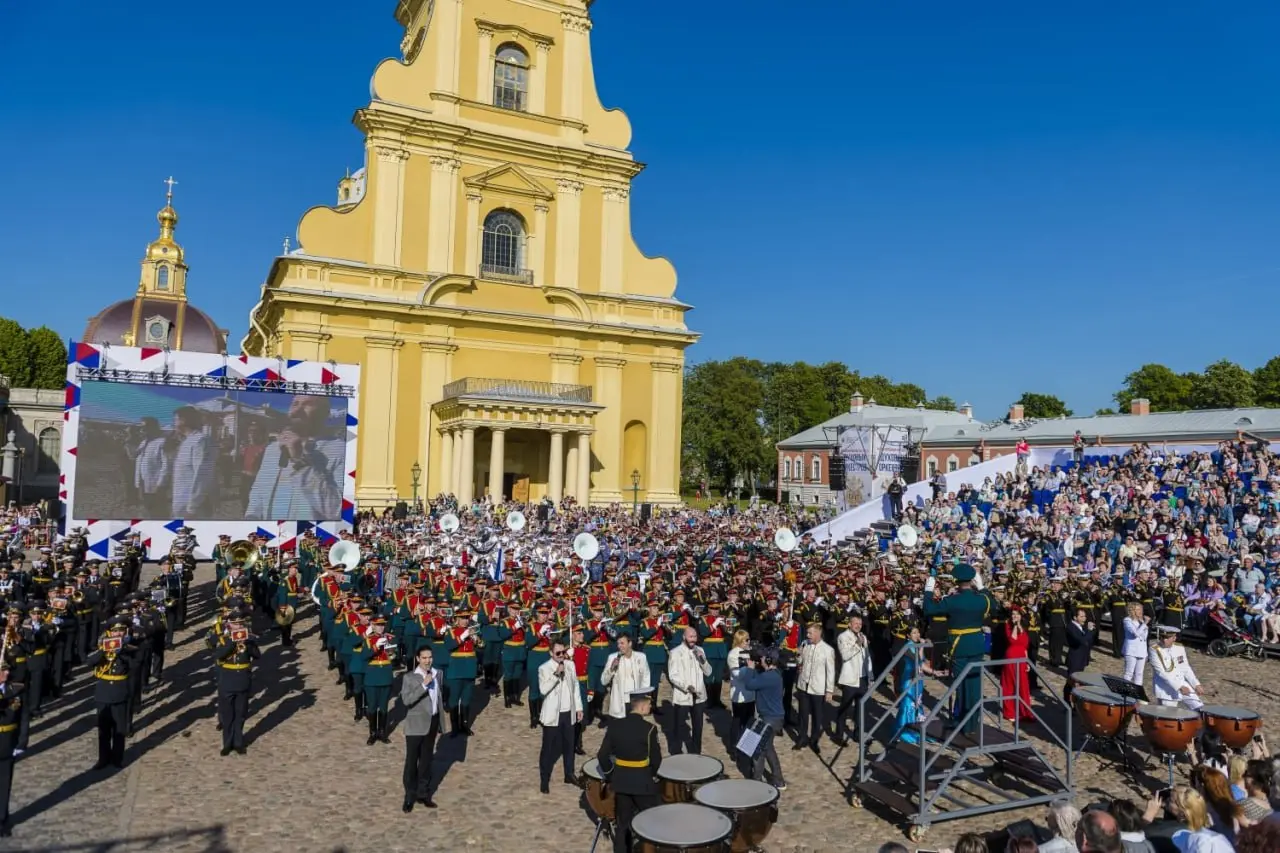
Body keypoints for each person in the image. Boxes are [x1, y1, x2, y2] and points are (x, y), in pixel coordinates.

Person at [245, 395, 345, 519]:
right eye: (295, 404)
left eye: (307, 404)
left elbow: (339, 511)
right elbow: (258, 491)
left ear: (325, 413)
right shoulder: (273, 449)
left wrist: (300, 462)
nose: (297, 411)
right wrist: (251, 517)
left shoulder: (340, 451)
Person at [922, 563, 992, 735]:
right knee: (974, 686)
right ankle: (972, 724)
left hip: (959, 646)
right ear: (971, 580)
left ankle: (963, 723)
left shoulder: (952, 600)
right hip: (976, 644)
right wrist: (982, 587)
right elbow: (994, 605)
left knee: (961, 686)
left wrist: (928, 589)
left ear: (956, 581)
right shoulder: (981, 599)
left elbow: (928, 609)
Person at [597, 685, 662, 853]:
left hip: (621, 783)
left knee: (622, 824)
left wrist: (611, 775)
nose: (650, 707)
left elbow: (602, 756)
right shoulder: (650, 730)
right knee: (650, 822)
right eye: (649, 704)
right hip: (643, 784)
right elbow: (656, 760)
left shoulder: (615, 726)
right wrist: (650, 775)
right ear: (641, 705)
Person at [398, 646, 442, 812]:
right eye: (424, 658)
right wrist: (423, 685)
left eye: (429, 657)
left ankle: (423, 794)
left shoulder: (437, 674)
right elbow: (407, 700)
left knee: (426, 760)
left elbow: (438, 698)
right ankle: (409, 796)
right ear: (417, 659)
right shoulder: (409, 677)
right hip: (416, 725)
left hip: (432, 722)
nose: (427, 660)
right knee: (411, 762)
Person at [537, 640, 584, 794]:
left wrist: (578, 707)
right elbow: (543, 690)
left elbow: (576, 686)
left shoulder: (570, 665)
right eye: (558, 653)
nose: (562, 655)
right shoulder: (543, 668)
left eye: (563, 652)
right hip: (552, 714)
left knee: (569, 745)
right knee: (548, 748)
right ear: (551, 653)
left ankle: (569, 774)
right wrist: (556, 674)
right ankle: (544, 779)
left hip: (568, 712)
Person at [212, 612, 260, 756]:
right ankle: (227, 743)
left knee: (240, 714)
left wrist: (250, 643)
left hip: (243, 680)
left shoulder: (248, 638)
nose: (239, 626)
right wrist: (233, 642)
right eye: (236, 623)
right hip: (227, 680)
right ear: (229, 625)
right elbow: (218, 655)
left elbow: (258, 656)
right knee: (227, 715)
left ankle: (238, 742)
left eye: (241, 623)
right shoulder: (223, 640)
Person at [740, 649, 786, 790]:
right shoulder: (774, 674)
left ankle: (757, 781)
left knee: (756, 748)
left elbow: (750, 685)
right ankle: (778, 781)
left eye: (763, 658)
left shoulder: (768, 677)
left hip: (769, 718)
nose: (760, 660)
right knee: (767, 748)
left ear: (768, 661)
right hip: (773, 717)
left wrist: (749, 669)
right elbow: (757, 680)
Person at [667, 626, 711, 754]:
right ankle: (676, 751)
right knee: (679, 726)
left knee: (698, 727)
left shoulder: (700, 650)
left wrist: (702, 660)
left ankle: (696, 752)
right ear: (684, 637)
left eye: (695, 637)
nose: (693, 640)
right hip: (683, 695)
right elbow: (673, 675)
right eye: (690, 637)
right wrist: (686, 686)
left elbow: (708, 672)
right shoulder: (675, 652)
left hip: (699, 696)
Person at [794, 622, 835, 752]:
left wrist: (829, 690)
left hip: (818, 687)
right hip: (803, 685)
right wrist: (799, 655)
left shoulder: (828, 650)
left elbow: (831, 672)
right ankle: (802, 738)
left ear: (818, 633)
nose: (807, 635)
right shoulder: (805, 644)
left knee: (818, 715)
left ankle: (814, 739)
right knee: (803, 714)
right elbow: (800, 662)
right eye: (807, 633)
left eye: (810, 633)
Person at [834, 611, 872, 747]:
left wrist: (870, 676)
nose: (858, 626)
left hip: (862, 678)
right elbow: (845, 655)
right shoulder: (843, 637)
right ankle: (838, 735)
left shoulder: (863, 637)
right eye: (855, 623)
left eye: (860, 624)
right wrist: (857, 643)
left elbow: (867, 657)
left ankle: (858, 734)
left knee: (861, 709)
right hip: (850, 679)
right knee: (845, 707)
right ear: (849, 624)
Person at [169, 407, 215, 517]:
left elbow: (202, 476)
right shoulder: (187, 441)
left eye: (175, 420)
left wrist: (192, 508)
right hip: (181, 505)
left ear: (183, 421)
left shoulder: (200, 441)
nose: (173, 424)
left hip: (193, 509)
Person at [1150, 625, 1204, 711]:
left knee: (1200, 708)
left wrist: (1196, 684)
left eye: (1168, 638)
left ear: (1174, 638)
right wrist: (1179, 687)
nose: (1164, 640)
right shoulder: (1154, 650)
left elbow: (1185, 668)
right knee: (1169, 717)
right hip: (1166, 689)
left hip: (1182, 683)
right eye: (1162, 637)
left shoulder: (1179, 648)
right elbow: (1161, 672)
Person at [601, 634, 650, 724]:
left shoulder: (641, 657)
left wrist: (643, 696)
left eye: (622, 643)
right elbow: (604, 681)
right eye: (618, 643)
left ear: (630, 643)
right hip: (620, 701)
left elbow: (646, 677)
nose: (619, 646)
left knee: (634, 728)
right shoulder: (612, 657)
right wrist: (611, 669)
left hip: (635, 701)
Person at [0, 663, 24, 838]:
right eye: (2, 670)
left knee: (4, 784)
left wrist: (22, 743)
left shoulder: (16, 690)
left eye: (8, 669)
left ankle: (2, 820)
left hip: (7, 742)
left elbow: (24, 719)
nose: (7, 672)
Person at [1002, 607, 1034, 722]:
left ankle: (1024, 712)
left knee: (1023, 686)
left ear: (1021, 616)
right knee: (1010, 684)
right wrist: (1015, 626)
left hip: (1021, 657)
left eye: (1017, 614)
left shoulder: (1024, 627)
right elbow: (1012, 639)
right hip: (1012, 657)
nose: (1014, 616)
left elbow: (1025, 646)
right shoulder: (1008, 626)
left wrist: (1027, 661)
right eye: (1013, 614)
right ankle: (1009, 712)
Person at [726, 629, 755, 745]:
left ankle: (747, 746)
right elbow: (736, 674)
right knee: (738, 722)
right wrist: (749, 668)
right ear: (739, 641)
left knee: (750, 722)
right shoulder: (733, 654)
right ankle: (734, 747)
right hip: (739, 694)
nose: (748, 642)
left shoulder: (750, 651)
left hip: (750, 694)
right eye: (745, 640)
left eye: (748, 639)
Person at [1064, 607, 1096, 704]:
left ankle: (1074, 702)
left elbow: (1088, 640)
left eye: (1085, 616)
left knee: (1077, 681)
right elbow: (1081, 640)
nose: (1084, 618)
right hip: (1075, 658)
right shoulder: (1071, 627)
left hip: (1082, 657)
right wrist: (1089, 631)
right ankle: (1068, 702)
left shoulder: (1082, 626)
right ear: (1075, 617)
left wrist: (1089, 631)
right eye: (1081, 616)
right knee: (1072, 682)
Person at [1121, 603, 1150, 687]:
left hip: (1142, 651)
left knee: (1139, 674)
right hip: (1131, 650)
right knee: (1129, 673)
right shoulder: (1127, 620)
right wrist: (1145, 623)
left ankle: (1138, 694)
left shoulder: (1141, 621)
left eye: (1141, 609)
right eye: (1137, 609)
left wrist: (1146, 653)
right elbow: (1136, 634)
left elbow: (1144, 637)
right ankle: (1125, 691)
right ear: (1132, 611)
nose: (1140, 611)